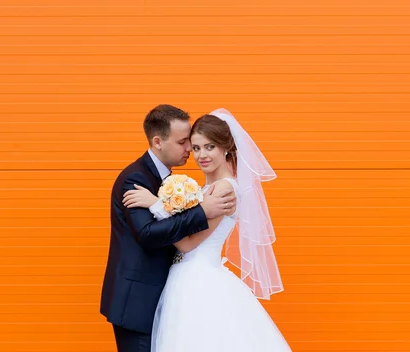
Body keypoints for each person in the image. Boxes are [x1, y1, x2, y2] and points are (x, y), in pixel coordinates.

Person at [123, 108, 292, 351]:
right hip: (185, 277)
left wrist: (157, 205)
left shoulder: (225, 190)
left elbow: (188, 243)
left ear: (226, 149)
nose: (202, 155)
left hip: (200, 280)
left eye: (210, 147)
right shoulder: (205, 189)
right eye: (196, 147)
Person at [100, 104, 238, 352]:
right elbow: (147, 235)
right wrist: (200, 211)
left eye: (205, 146)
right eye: (186, 143)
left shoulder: (207, 187)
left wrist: (159, 204)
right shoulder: (137, 179)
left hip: (179, 288)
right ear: (157, 141)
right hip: (138, 302)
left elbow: (185, 237)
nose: (191, 151)